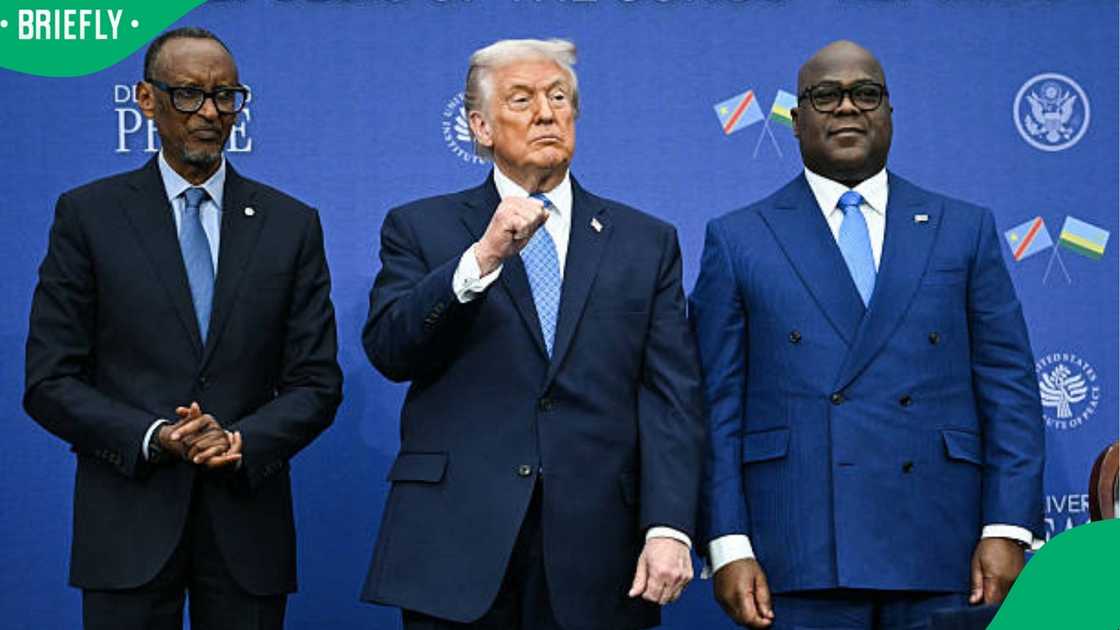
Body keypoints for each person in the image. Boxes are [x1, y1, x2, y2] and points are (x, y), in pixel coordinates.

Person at [690, 40, 1044, 629]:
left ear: (890, 113)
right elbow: (713, 407)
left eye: (867, 94)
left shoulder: (964, 229)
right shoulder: (738, 238)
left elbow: (1010, 390)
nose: (847, 108)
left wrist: (1006, 527)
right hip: (797, 551)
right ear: (795, 119)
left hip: (945, 547)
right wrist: (728, 540)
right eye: (825, 96)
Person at [361, 38, 703, 630]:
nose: (547, 113)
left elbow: (673, 397)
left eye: (559, 97)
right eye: (522, 100)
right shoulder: (421, 227)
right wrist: (481, 259)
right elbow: (391, 349)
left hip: (601, 551)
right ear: (479, 127)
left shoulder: (646, 241)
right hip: (456, 545)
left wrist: (669, 526)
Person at [23, 27, 342, 630]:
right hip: (126, 524)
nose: (211, 113)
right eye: (189, 94)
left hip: (248, 527)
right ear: (146, 99)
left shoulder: (290, 224)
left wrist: (242, 440)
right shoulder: (88, 216)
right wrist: (154, 435)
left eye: (227, 97)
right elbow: (49, 379)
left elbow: (316, 382)